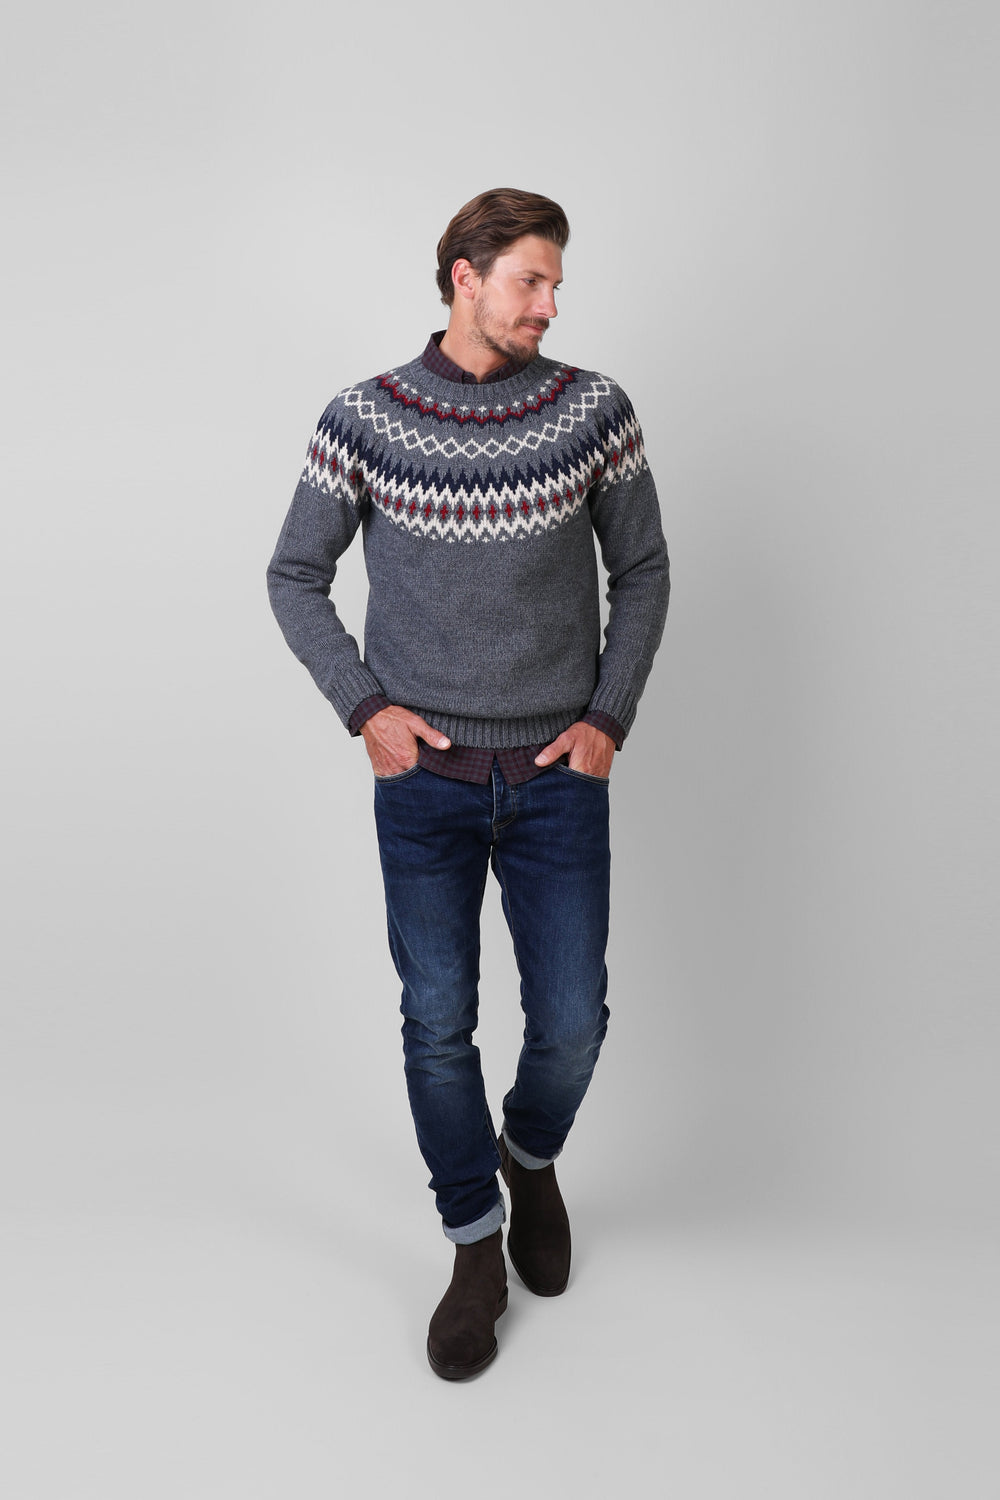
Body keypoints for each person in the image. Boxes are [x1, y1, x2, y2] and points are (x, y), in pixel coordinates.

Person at [267, 187, 669, 1380]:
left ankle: (528, 1158)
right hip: (425, 781)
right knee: (437, 1023)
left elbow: (643, 569)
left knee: (572, 1020)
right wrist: (365, 707)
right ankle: (472, 1246)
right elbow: (294, 573)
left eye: (555, 284)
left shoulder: (594, 410)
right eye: (530, 281)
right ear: (465, 277)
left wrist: (607, 718)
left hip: (557, 775)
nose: (549, 304)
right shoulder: (365, 418)